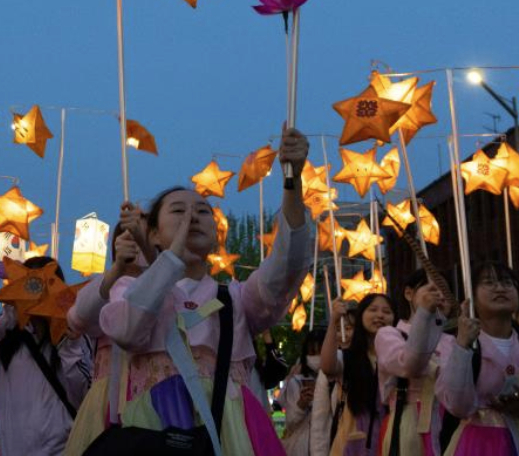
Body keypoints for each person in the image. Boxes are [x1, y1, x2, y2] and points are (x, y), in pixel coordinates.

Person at [97, 126, 313, 455]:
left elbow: (288, 265)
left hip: (228, 436)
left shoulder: (236, 299)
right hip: (153, 434)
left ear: (216, 235)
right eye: (179, 211)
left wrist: (292, 182)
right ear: (153, 233)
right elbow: (129, 330)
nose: (192, 218)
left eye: (202, 212)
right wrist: (170, 259)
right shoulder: (129, 288)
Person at [0, 255, 91, 456]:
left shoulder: (73, 339)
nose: (36, 294)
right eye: (28, 285)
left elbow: (83, 393)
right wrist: (11, 314)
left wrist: (70, 346)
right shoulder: (5, 339)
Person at [437, 262, 519, 456]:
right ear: (471, 298)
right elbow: (457, 405)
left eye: (507, 283)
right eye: (489, 283)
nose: (499, 288)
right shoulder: (457, 346)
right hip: (477, 447)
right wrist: (463, 344)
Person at [64, 212, 147, 456]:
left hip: (158, 398)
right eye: (128, 237)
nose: (136, 244)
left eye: (144, 237)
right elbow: (80, 316)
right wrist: (117, 270)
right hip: (106, 402)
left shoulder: (172, 290)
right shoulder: (105, 287)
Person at [376, 268, 453, 456]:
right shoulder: (389, 335)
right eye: (430, 288)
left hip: (450, 424)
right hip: (410, 423)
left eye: (444, 289)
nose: (439, 294)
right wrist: (425, 314)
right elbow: (410, 366)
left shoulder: (453, 341)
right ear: (409, 293)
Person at [321, 293, 396, 456]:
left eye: (386, 311)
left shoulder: (400, 356)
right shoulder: (350, 357)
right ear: (361, 316)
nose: (380, 315)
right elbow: (327, 366)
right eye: (373, 310)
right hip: (354, 442)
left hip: (392, 437)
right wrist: (334, 321)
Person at [280, 327, 326, 456]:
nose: (317, 357)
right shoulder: (296, 382)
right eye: (312, 353)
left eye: (321, 352)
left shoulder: (338, 380)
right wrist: (301, 404)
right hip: (303, 447)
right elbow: (290, 422)